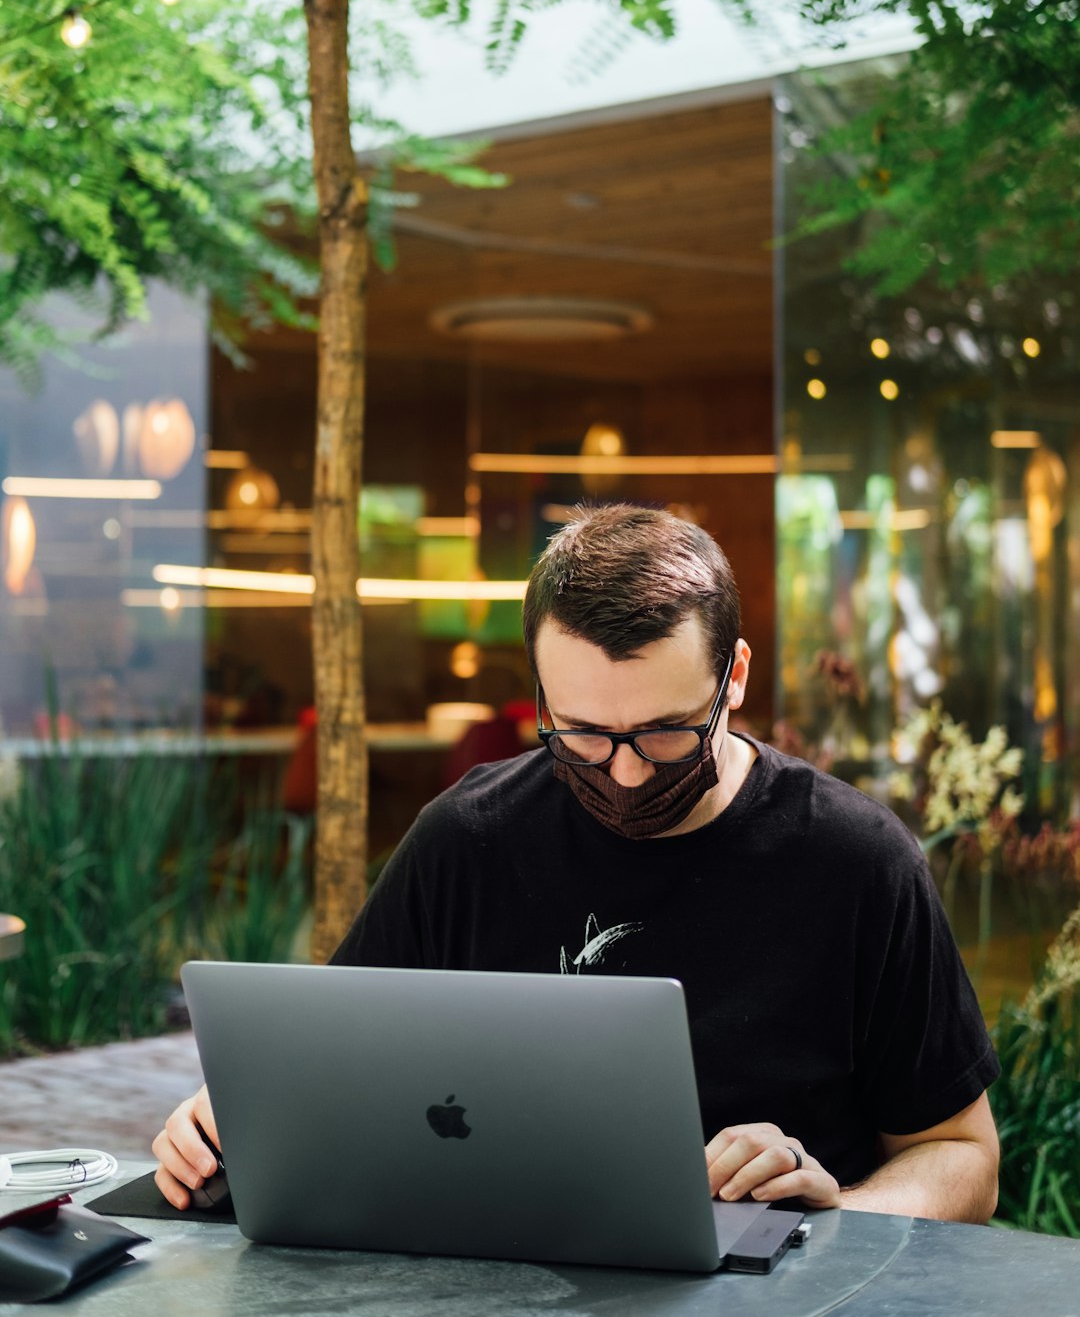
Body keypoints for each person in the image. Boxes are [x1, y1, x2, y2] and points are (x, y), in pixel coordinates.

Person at [154, 505, 1000, 1222]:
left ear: (734, 677)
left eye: (666, 733)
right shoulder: (467, 839)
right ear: (541, 695)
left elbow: (963, 1158)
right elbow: (323, 1080)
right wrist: (230, 1123)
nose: (626, 772)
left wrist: (838, 1214)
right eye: (584, 736)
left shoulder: (856, 860)